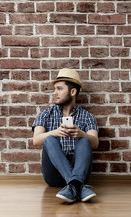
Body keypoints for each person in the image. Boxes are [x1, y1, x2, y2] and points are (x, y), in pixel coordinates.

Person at [32, 68, 99, 203]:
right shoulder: (45, 114)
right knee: (49, 139)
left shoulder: (88, 117)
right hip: (54, 175)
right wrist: (54, 132)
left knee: (85, 141)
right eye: (55, 89)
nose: (55, 93)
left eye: (59, 89)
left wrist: (82, 134)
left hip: (80, 171)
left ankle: (73, 185)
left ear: (72, 92)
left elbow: (95, 143)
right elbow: (36, 140)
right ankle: (78, 186)